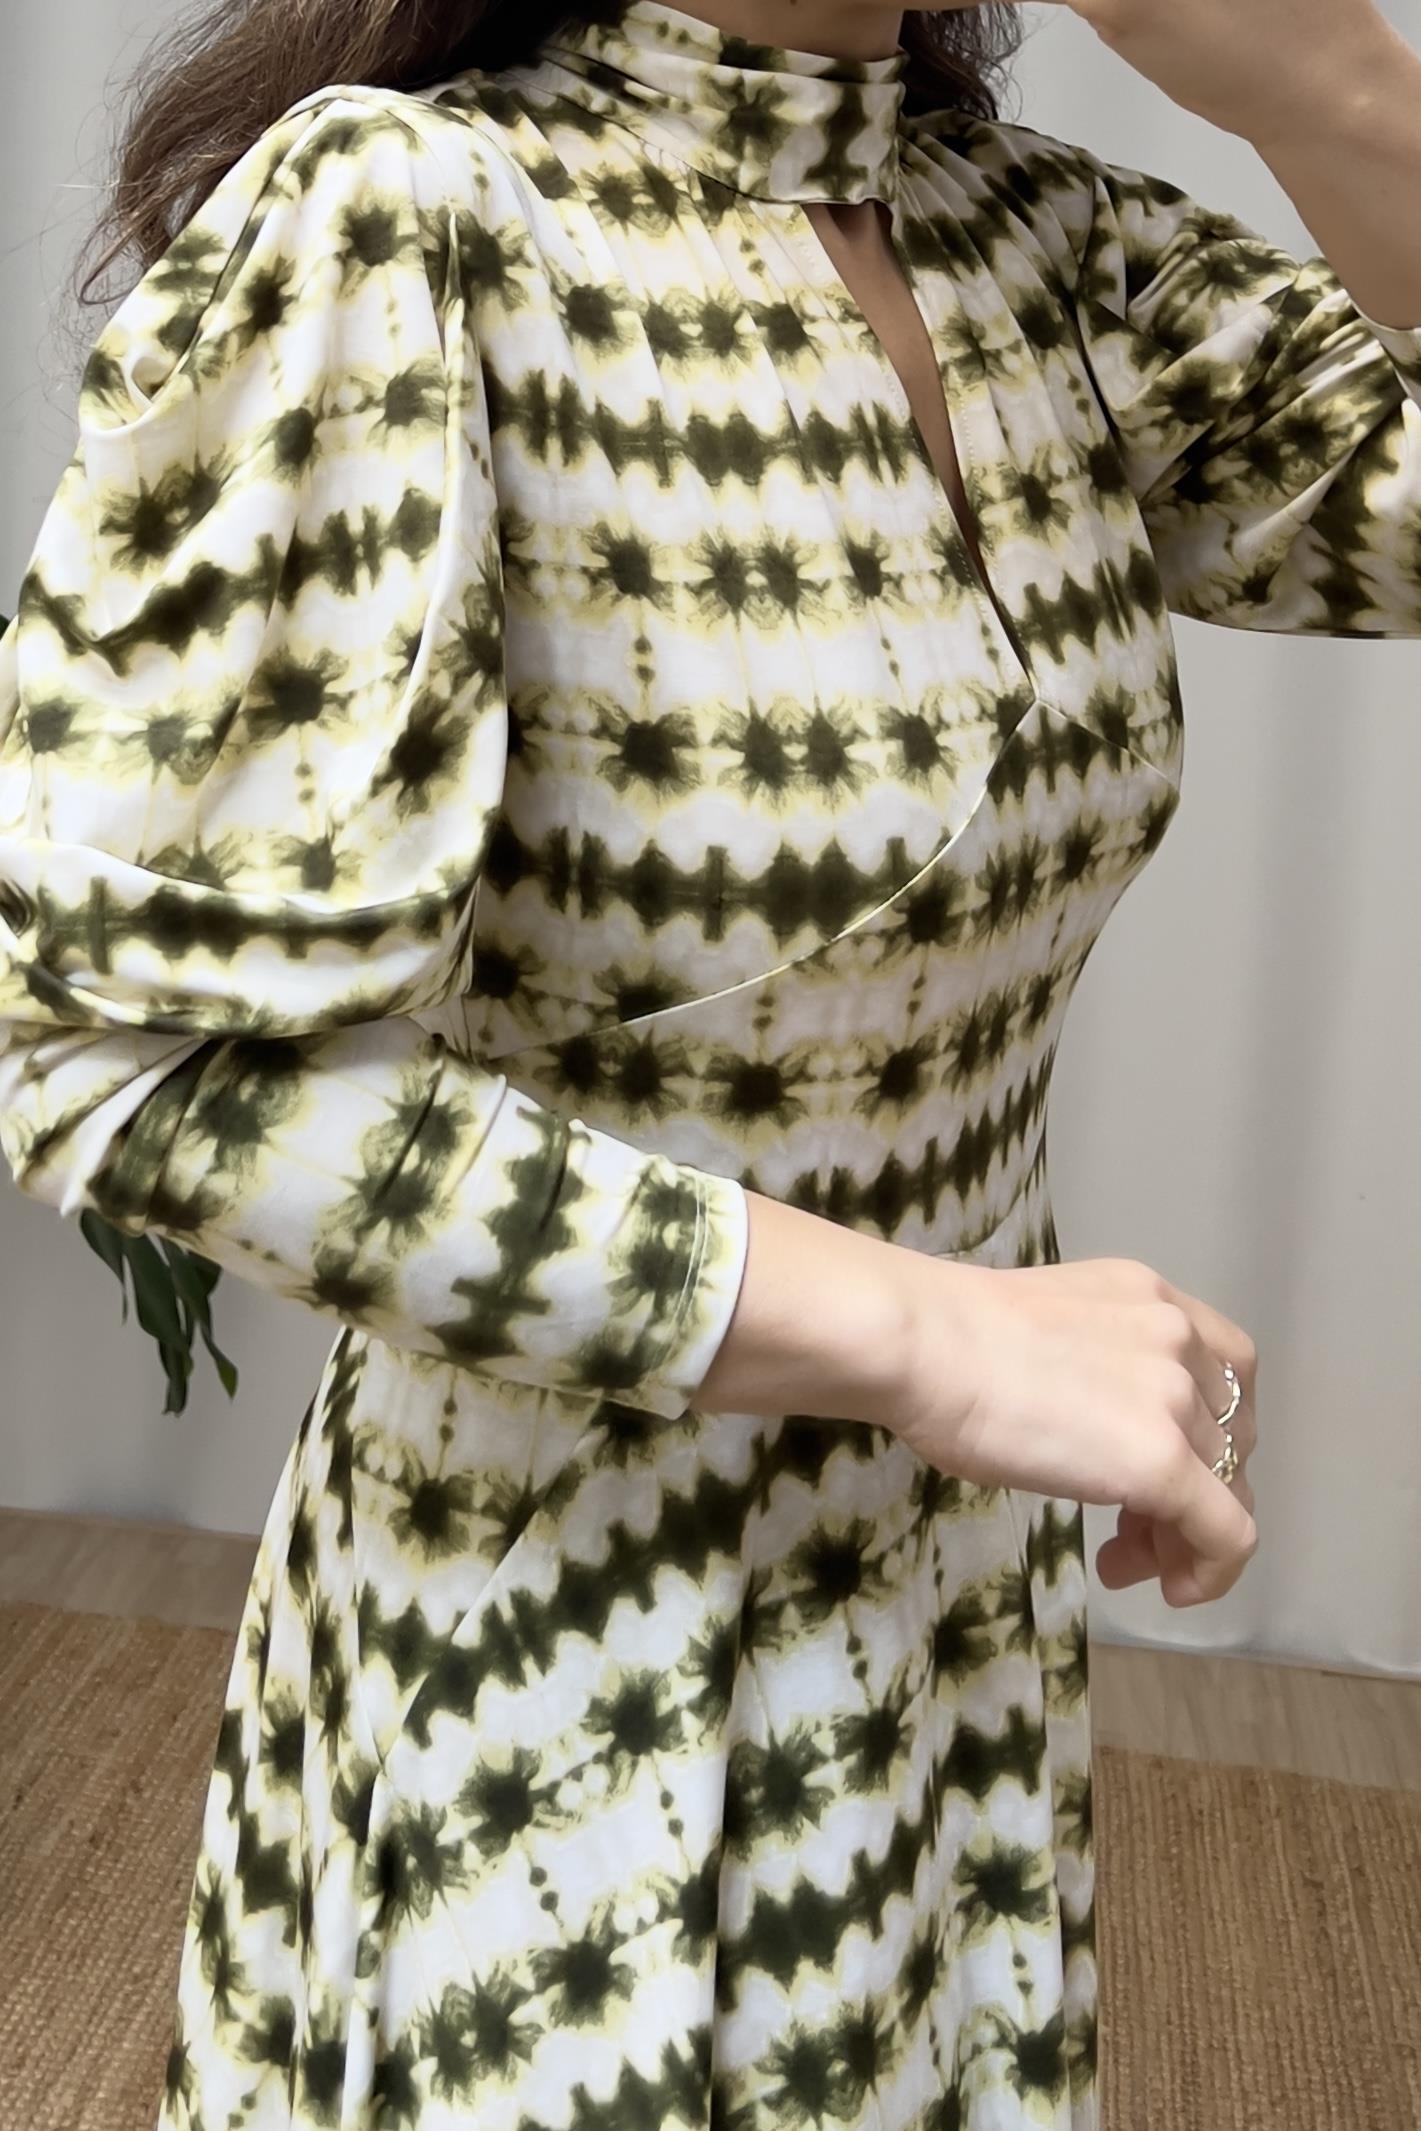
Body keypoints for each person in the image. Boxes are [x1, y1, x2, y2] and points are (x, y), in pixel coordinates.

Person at [1, 0, 1418, 2121]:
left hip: (944, 1602)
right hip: (564, 1636)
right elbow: (116, 1055)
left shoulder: (1023, 235)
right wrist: (928, 1331)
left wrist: (1331, 81)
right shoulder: (411, 218)